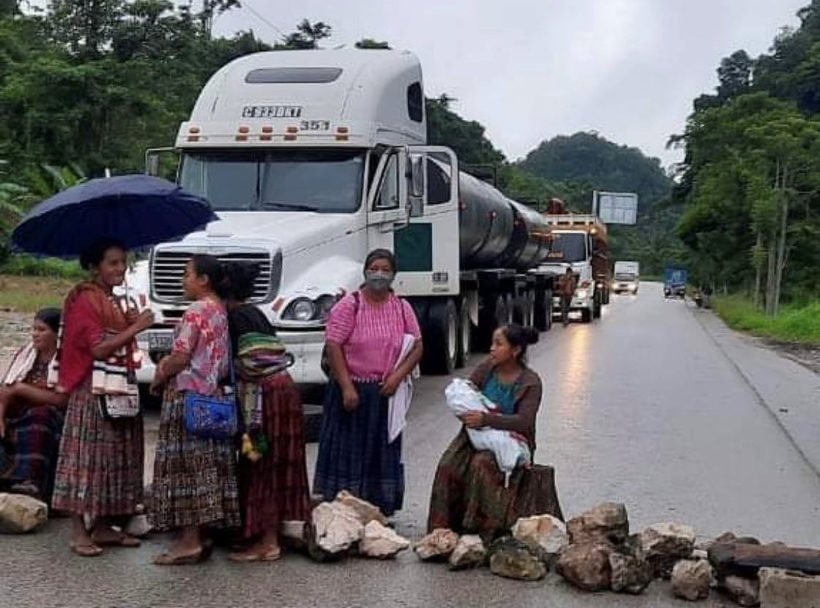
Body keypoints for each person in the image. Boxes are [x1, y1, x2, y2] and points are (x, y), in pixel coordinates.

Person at [51, 239, 155, 557]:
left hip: (118, 387)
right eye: (112, 263)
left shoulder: (111, 300)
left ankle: (105, 526)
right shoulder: (85, 300)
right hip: (91, 390)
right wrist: (136, 326)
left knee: (116, 457)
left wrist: (128, 319)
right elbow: (97, 348)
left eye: (123, 262)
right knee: (89, 459)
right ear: (95, 266)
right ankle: (79, 531)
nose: (120, 269)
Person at [427, 324, 562, 541]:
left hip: (512, 442)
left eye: (498, 344)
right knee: (447, 466)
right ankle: (442, 531)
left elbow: (523, 421)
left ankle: (481, 531)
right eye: (492, 343)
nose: (492, 349)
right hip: (476, 436)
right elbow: (466, 393)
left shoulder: (530, 382)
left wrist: (487, 419)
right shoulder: (487, 369)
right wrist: (464, 410)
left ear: (515, 350)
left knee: (481, 465)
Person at [314, 249, 423, 517]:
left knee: (381, 450)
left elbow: (417, 346)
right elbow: (334, 346)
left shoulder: (401, 307)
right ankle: (344, 508)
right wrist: (348, 387)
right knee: (347, 449)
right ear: (365, 271)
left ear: (394, 274)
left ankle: (379, 508)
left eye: (385, 269)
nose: (379, 274)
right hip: (351, 392)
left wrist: (398, 377)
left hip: (385, 391)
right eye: (374, 268)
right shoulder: (349, 305)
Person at [150, 254, 240, 565]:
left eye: (187, 274)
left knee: (185, 470)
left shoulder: (195, 311)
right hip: (212, 398)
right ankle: (201, 535)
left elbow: (180, 356)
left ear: (204, 280)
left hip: (187, 396)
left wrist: (160, 373)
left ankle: (188, 542)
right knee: (205, 468)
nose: (183, 280)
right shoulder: (219, 310)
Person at [220, 262, 312, 562]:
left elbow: (235, 365)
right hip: (284, 394)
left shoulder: (233, 319)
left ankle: (266, 542)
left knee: (259, 462)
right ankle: (264, 532)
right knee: (270, 462)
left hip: (260, 403)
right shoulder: (256, 313)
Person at [0, 308, 67, 501]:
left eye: (42, 330)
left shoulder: (67, 360)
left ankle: (28, 480)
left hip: (54, 416)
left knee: (41, 416)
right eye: (34, 329)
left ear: (57, 334)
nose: (35, 334)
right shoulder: (25, 356)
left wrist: (21, 389)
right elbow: (6, 390)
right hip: (20, 410)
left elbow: (62, 400)